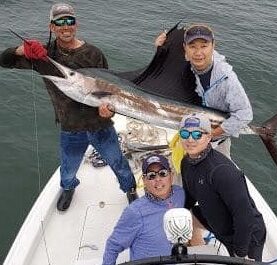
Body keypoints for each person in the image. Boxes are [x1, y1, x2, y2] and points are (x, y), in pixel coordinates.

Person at [0, 3, 137, 211]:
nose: (65, 26)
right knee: (68, 169)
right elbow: (4, 61)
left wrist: (109, 108)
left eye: (69, 21)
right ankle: (69, 188)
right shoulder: (42, 56)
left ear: (76, 24)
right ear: (51, 27)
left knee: (119, 163)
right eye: (60, 22)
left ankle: (130, 190)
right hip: (70, 127)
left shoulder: (94, 54)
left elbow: (110, 91)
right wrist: (20, 50)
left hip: (99, 124)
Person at [155, 24, 253, 158]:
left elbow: (245, 114)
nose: (198, 53)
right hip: (187, 134)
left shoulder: (227, 78)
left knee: (219, 173)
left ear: (213, 46)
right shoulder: (187, 63)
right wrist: (162, 50)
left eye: (204, 46)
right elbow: (166, 70)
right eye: (192, 46)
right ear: (185, 48)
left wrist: (209, 135)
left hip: (216, 140)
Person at [179, 113, 266, 261]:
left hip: (246, 236)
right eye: (185, 133)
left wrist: (240, 254)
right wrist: (177, 214)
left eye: (197, 134)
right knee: (186, 217)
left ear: (208, 138)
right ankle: (197, 248)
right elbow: (189, 197)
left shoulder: (222, 172)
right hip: (217, 224)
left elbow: (245, 218)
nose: (190, 139)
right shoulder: (186, 163)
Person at [102, 154, 185, 264]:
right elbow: (112, 246)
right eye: (151, 176)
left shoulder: (180, 193)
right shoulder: (135, 212)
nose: (158, 179)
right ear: (144, 181)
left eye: (163, 173)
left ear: (171, 176)